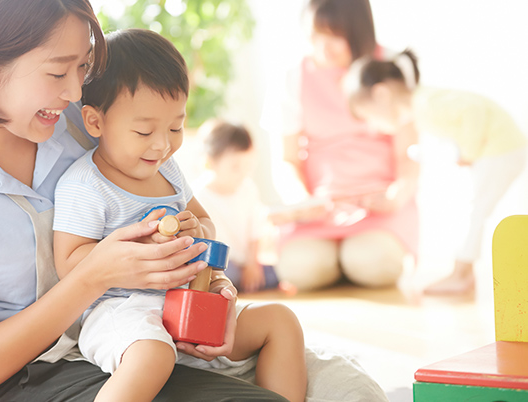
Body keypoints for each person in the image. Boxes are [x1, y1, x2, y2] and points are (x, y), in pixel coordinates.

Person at [0, 1, 300, 400]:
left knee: (342, 383)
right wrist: (95, 274)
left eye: (82, 67)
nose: (77, 90)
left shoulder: (85, 118)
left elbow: (191, 219)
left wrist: (215, 287)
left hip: (143, 328)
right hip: (22, 372)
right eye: (58, 72)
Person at [52, 29, 307, 402]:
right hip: (123, 311)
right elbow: (69, 264)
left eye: (175, 126)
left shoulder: (168, 171)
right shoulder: (85, 185)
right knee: (152, 355)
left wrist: (196, 227)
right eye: (143, 131)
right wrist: (135, 249)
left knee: (280, 321)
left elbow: (206, 223)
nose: (162, 144)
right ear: (95, 122)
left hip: (188, 299)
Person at [261, 0, 419, 292]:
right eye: (315, 35)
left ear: (359, 31)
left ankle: (349, 258)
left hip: (380, 207)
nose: (323, 46)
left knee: (373, 263)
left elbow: (409, 155)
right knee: (302, 269)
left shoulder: (393, 67)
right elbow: (287, 160)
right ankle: (338, 259)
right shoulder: (292, 78)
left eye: (334, 34)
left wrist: (396, 197)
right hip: (320, 206)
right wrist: (303, 202)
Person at [343, 49, 527, 295]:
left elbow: (473, 110)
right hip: (499, 150)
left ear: (381, 94)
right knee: (473, 210)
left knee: (475, 210)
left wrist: (468, 153)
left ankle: (461, 274)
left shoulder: (425, 105)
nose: (373, 127)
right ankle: (463, 273)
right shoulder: (424, 108)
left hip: (502, 149)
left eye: (369, 116)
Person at [194, 119, 281, 293]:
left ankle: (244, 281)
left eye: (248, 165)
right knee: (225, 273)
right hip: (219, 264)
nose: (243, 173)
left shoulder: (248, 188)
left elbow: (254, 231)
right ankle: (232, 284)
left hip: (245, 260)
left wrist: (252, 264)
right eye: (235, 167)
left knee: (279, 271)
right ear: (211, 162)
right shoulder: (199, 195)